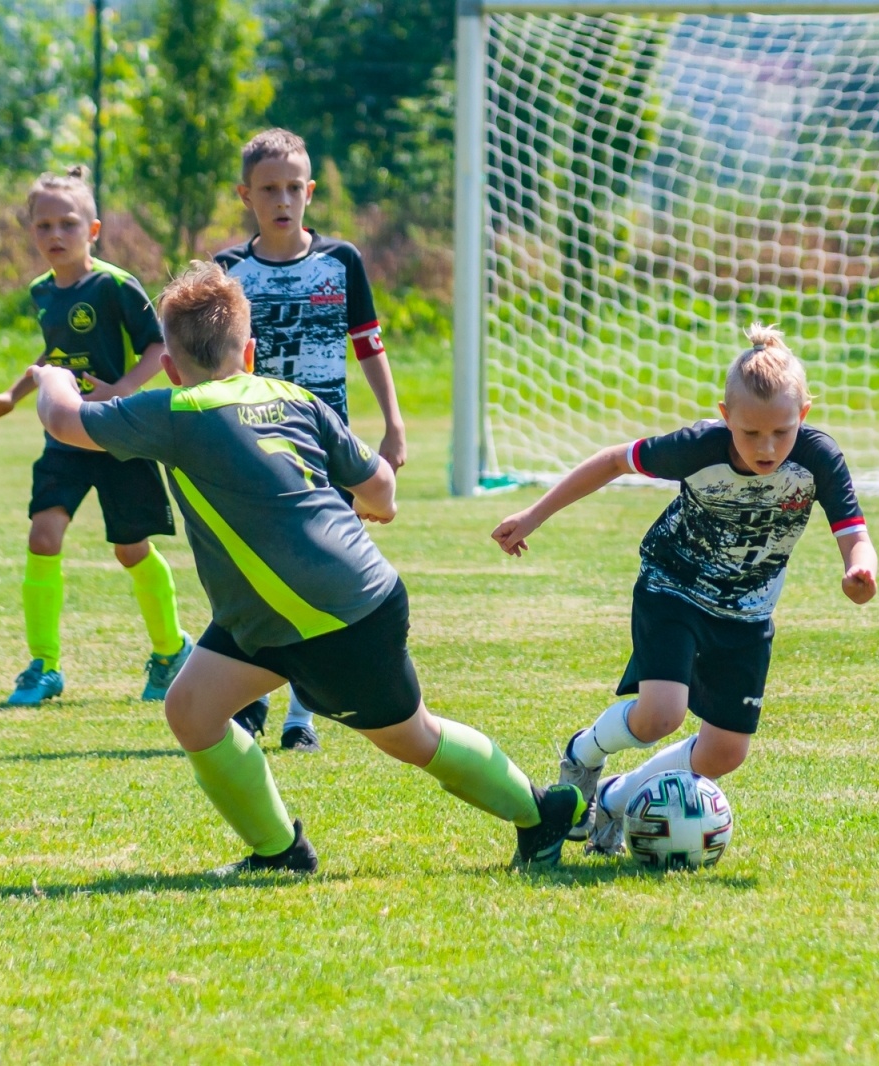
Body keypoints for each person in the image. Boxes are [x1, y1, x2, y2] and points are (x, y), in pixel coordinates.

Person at [30, 261, 584, 871]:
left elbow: (63, 420)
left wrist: (52, 376)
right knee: (191, 709)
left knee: (411, 737)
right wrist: (370, 508)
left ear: (170, 367)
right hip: (275, 611)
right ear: (249, 354)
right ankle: (279, 852)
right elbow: (382, 491)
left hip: (334, 616)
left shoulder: (174, 411)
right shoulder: (291, 396)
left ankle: (543, 812)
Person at [491, 325, 878, 854]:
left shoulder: (819, 459)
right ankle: (583, 754)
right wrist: (533, 515)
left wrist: (859, 572)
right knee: (660, 715)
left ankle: (616, 798)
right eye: (750, 433)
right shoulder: (698, 448)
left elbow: (856, 536)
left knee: (725, 753)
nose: (766, 447)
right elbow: (614, 460)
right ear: (725, 416)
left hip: (747, 612)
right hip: (673, 586)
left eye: (781, 432)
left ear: (804, 415)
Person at [214, 128, 408, 752]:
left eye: (294, 188)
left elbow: (368, 344)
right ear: (245, 195)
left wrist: (393, 423)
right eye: (269, 188)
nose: (283, 200)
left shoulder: (340, 262)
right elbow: (212, 360)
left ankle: (302, 717)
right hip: (251, 441)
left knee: (319, 574)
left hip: (326, 445)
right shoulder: (228, 270)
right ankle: (248, 701)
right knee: (252, 572)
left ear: (310, 191)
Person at [0, 166, 189, 707]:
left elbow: (159, 346)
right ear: (32, 232)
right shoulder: (42, 291)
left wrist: (121, 390)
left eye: (67, 224)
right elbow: (54, 356)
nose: (55, 234)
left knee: (130, 550)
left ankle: (171, 652)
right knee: (43, 537)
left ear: (92, 230)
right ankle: (43, 665)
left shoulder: (114, 285)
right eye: (43, 225)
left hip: (118, 434)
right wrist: (12, 395)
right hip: (64, 434)